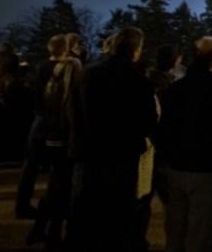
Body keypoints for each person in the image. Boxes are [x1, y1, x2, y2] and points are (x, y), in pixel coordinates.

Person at [66, 27, 158, 252]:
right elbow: (148, 123)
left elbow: (71, 112)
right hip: (121, 159)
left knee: (83, 216)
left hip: (87, 156)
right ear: (136, 50)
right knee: (116, 219)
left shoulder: (86, 74)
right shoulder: (138, 82)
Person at [156, 37, 212, 252]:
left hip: (176, 169)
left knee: (176, 230)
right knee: (201, 233)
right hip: (207, 172)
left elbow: (163, 129)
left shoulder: (174, 90)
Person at [16, 34, 70, 219]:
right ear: (66, 49)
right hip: (57, 122)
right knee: (59, 167)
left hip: (39, 119)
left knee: (30, 165)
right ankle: (55, 207)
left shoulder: (40, 66)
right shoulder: (65, 70)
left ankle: (22, 205)